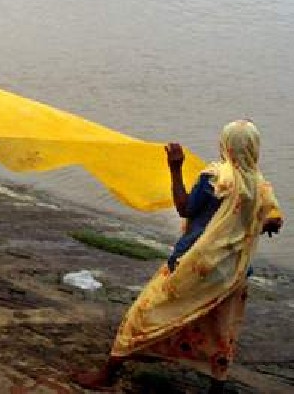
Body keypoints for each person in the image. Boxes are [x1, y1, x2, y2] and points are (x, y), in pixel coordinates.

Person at [75, 121, 284, 393]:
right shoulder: (260, 186)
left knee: (144, 314)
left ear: (225, 145)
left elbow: (185, 208)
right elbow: (272, 221)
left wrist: (175, 168)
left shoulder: (215, 179)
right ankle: (215, 388)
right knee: (221, 330)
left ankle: (107, 374)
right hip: (233, 272)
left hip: (195, 264)